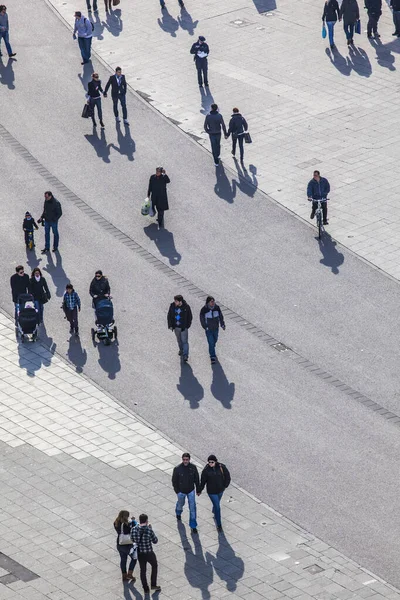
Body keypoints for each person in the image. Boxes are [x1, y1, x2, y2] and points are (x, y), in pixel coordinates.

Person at [199, 455, 231, 532]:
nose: (210, 463)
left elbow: (227, 476)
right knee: (217, 507)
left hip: (220, 490)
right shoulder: (206, 470)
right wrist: (199, 490)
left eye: (212, 462)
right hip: (211, 492)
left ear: (215, 461)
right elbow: (203, 481)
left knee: (217, 504)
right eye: (209, 462)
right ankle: (219, 525)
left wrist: (225, 485)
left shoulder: (221, 467)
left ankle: (215, 510)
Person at [131, 514, 161, 594]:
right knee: (154, 566)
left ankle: (146, 589)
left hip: (140, 553)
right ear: (146, 521)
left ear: (140, 520)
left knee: (143, 570)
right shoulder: (149, 530)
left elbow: (132, 539)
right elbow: (155, 541)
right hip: (149, 553)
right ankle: (153, 585)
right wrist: (151, 528)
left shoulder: (134, 529)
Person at [172, 453, 200, 533]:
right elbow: (174, 481)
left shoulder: (193, 468)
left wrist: (198, 490)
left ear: (189, 459)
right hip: (181, 491)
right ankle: (178, 512)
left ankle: (193, 526)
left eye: (187, 460)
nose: (185, 461)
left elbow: (197, 479)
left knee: (192, 508)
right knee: (181, 504)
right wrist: (177, 491)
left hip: (191, 490)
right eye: (184, 459)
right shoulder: (177, 469)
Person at [200, 296, 225, 365]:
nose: (213, 303)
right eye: (211, 301)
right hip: (208, 329)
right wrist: (205, 327)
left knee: (215, 340)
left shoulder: (217, 308)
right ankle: (212, 357)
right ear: (208, 302)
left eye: (213, 301)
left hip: (216, 328)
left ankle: (212, 348)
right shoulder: (204, 310)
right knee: (211, 342)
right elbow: (202, 319)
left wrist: (222, 324)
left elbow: (220, 316)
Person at [167, 295, 192, 362]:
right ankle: (181, 350)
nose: (175, 302)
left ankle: (185, 355)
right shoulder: (172, 306)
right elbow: (169, 315)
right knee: (179, 340)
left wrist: (187, 326)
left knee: (185, 341)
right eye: (175, 301)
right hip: (176, 327)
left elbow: (190, 317)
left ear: (180, 301)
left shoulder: (186, 307)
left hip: (183, 328)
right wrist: (170, 325)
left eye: (176, 301)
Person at [114, 511, 137, 583]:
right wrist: (133, 521)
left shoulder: (116, 522)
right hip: (128, 544)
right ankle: (129, 574)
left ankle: (124, 575)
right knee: (134, 558)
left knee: (123, 560)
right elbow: (133, 529)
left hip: (120, 543)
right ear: (126, 516)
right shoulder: (127, 524)